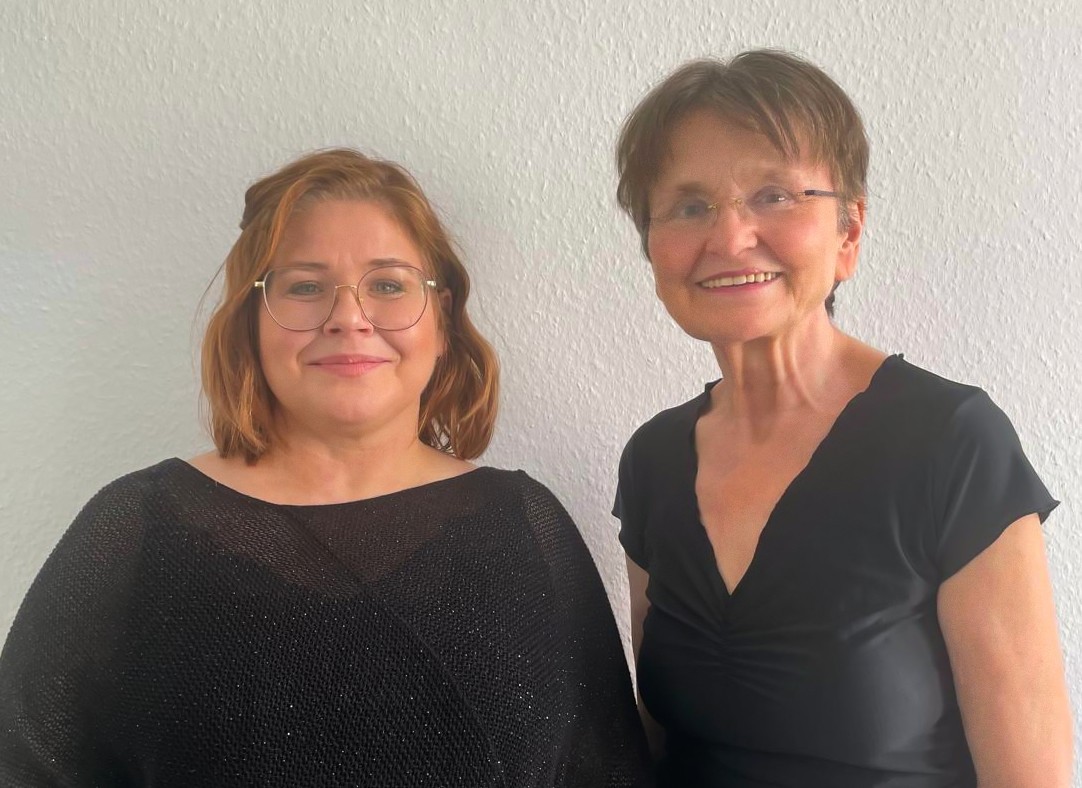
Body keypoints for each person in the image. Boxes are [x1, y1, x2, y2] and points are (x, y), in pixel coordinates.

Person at [0, 148, 652, 787]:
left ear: (443, 319)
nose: (348, 318)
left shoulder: (523, 527)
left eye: (388, 285)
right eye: (306, 287)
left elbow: (607, 770)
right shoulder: (136, 528)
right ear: (252, 320)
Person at [613, 50, 1072, 787]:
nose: (729, 238)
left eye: (773, 195)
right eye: (690, 206)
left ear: (848, 233)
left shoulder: (950, 441)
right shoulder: (653, 460)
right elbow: (657, 743)